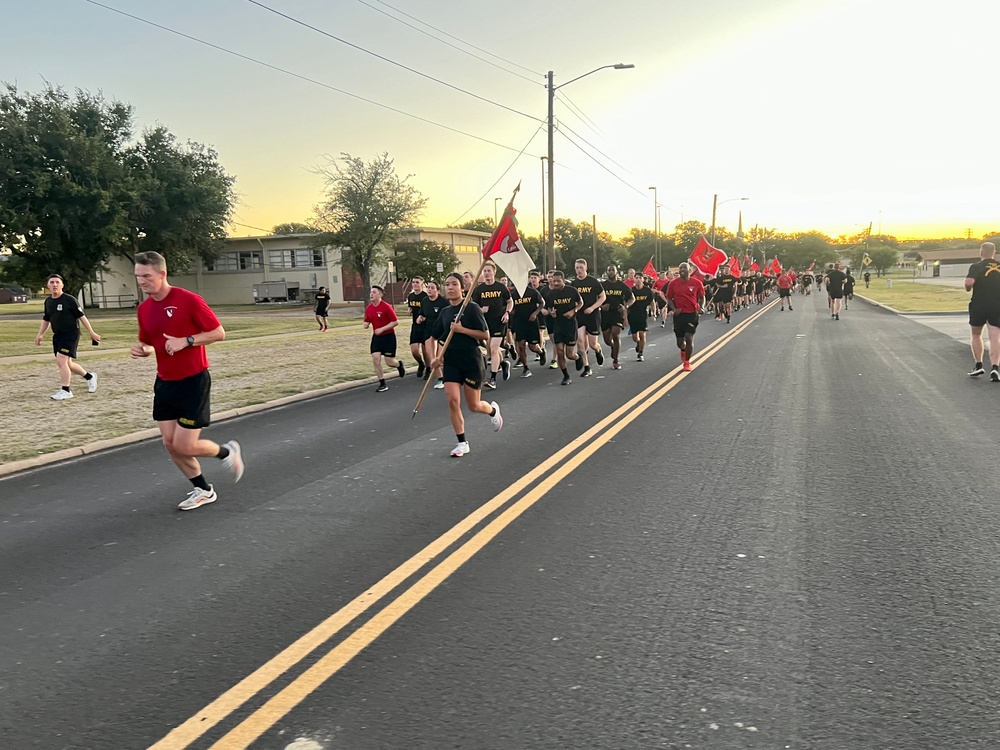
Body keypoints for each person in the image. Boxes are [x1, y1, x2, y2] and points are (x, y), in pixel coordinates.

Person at [129, 251, 243, 511]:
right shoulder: (144, 309)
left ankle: (227, 452)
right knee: (170, 444)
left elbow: (218, 332)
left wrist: (187, 340)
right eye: (138, 277)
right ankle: (202, 489)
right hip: (165, 382)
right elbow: (149, 343)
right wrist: (143, 351)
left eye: (146, 276)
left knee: (185, 444)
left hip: (193, 380)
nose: (141, 281)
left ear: (162, 274)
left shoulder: (189, 300)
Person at [429, 273, 503, 457]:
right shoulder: (445, 312)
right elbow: (437, 336)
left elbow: (485, 335)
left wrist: (462, 330)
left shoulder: (471, 308)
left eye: (454, 284)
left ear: (462, 288)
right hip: (452, 362)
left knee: (474, 405)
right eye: (447, 284)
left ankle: (493, 411)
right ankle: (462, 443)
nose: (450, 287)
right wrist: (436, 358)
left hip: (471, 361)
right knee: (453, 401)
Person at [34, 273, 101, 400]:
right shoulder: (48, 302)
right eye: (52, 282)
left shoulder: (70, 300)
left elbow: (82, 317)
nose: (54, 285)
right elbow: (46, 319)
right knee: (67, 363)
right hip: (58, 335)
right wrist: (40, 335)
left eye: (57, 282)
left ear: (62, 285)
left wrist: (92, 333)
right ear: (47, 285)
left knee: (61, 360)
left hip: (71, 334)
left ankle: (66, 390)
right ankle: (90, 377)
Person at [471, 261, 513, 389]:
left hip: (500, 321)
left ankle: (492, 379)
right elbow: (474, 306)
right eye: (484, 271)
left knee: (494, 348)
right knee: (491, 349)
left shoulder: (501, 287)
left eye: (489, 271)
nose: (487, 273)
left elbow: (510, 302)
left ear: (494, 272)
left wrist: (507, 313)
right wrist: (480, 310)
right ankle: (503, 363)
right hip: (486, 323)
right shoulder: (479, 290)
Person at [964, 242, 1000, 380]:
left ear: (981, 253)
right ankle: (995, 368)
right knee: (994, 337)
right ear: (994, 252)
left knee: (976, 334)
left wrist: (968, 288)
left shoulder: (976, 267)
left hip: (979, 304)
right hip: (996, 305)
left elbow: (969, 283)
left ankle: (978, 365)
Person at [364, 285, 406, 392]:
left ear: (380, 295)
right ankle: (382, 383)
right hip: (377, 338)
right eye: (371, 292)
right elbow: (367, 319)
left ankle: (399, 364)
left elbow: (395, 322)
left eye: (374, 292)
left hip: (388, 337)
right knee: (376, 359)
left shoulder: (386, 307)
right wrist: (366, 324)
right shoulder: (369, 308)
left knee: (389, 362)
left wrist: (382, 329)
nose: (371, 294)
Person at [544, 270, 583, 385]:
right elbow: (549, 308)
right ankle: (566, 376)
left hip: (570, 324)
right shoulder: (551, 294)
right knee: (560, 351)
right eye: (553, 281)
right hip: (558, 325)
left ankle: (578, 357)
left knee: (569, 354)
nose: (555, 283)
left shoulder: (572, 291)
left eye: (558, 281)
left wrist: (573, 311)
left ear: (563, 280)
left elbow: (580, 303)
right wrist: (552, 312)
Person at [665, 262, 705, 372]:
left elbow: (702, 297)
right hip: (679, 315)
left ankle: (687, 362)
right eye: (680, 268)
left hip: (692, 314)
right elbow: (669, 298)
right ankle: (683, 350)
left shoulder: (696, 283)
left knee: (689, 337)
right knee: (680, 342)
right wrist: (674, 309)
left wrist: (701, 307)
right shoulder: (673, 283)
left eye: (684, 268)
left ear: (690, 270)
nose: (682, 270)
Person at [570, 258, 606, 378]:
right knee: (580, 340)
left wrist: (593, 307)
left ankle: (598, 350)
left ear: (586, 268)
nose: (579, 270)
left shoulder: (593, 282)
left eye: (581, 267)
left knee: (592, 344)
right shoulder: (573, 284)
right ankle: (586, 367)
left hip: (592, 315)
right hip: (579, 315)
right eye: (577, 268)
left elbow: (602, 297)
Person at [510, 270, 545, 377]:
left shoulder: (532, 292)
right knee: (520, 345)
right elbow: (510, 306)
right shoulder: (513, 294)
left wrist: (535, 313)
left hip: (531, 322)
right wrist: (511, 311)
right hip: (519, 322)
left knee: (532, 347)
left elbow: (542, 303)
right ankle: (526, 368)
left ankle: (541, 352)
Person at [600, 264, 634, 369]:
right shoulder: (602, 285)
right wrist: (601, 306)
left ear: (616, 272)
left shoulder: (622, 285)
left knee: (615, 334)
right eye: (608, 270)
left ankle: (615, 360)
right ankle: (613, 347)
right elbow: (596, 298)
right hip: (605, 313)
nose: (610, 272)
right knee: (606, 339)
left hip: (617, 313)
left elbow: (632, 298)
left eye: (612, 270)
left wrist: (626, 306)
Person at [418, 280, 448, 389]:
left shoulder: (444, 302)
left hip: (442, 331)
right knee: (432, 358)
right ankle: (441, 379)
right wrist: (420, 317)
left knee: (441, 358)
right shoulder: (425, 301)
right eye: (428, 288)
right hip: (429, 331)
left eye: (432, 288)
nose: (429, 289)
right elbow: (421, 313)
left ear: (438, 291)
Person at [627, 273, 654, 361]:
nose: (638, 279)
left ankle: (640, 353)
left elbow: (652, 302)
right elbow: (626, 303)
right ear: (634, 280)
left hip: (642, 315)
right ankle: (638, 343)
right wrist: (625, 317)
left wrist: (654, 314)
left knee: (642, 334)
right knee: (635, 337)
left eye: (640, 278)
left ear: (643, 279)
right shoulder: (631, 291)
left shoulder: (647, 290)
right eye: (636, 278)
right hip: (632, 315)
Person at [406, 277, 429, 378]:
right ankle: (421, 363)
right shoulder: (411, 296)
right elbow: (410, 306)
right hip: (415, 326)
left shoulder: (425, 296)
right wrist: (410, 310)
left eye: (417, 282)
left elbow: (430, 310)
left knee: (426, 351)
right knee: (414, 350)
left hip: (425, 326)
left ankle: (428, 368)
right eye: (413, 282)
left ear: (422, 284)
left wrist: (424, 317)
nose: (415, 284)